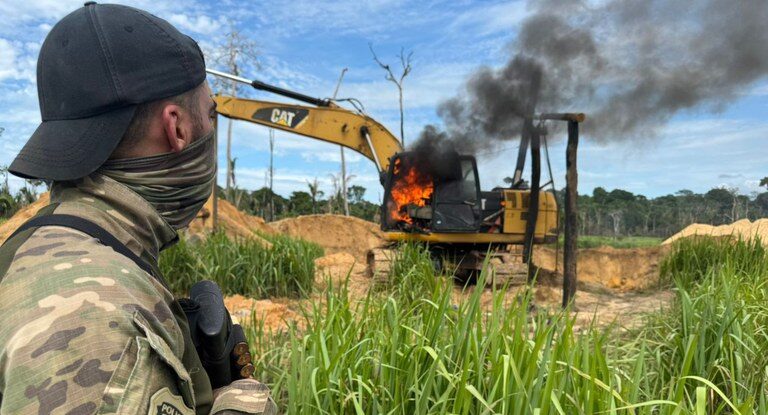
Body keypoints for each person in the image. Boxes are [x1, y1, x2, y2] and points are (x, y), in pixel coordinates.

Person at [0, 3, 276, 414]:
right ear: (177, 127)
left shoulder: (40, 242)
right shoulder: (96, 321)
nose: (212, 127)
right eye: (211, 113)